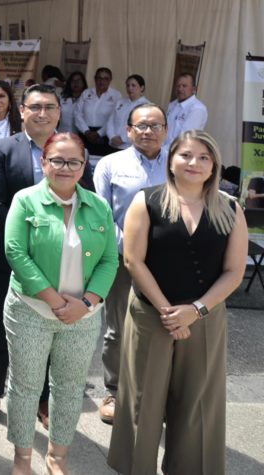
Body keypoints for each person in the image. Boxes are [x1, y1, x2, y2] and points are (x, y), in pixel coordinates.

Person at [108, 131, 247, 475]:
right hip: (150, 314)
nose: (194, 163)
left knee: (198, 403)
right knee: (142, 401)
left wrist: (196, 310)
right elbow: (133, 260)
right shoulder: (147, 201)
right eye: (185, 155)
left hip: (205, 317)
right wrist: (168, 312)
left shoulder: (230, 208)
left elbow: (234, 271)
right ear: (171, 161)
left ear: (214, 166)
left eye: (204, 157)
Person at [2, 133, 117, 475]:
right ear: (43, 162)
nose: (65, 168)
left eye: (73, 162)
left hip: (83, 315)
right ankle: (22, 458)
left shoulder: (99, 206)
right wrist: (54, 300)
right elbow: (15, 252)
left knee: (69, 387)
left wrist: (86, 303)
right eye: (57, 160)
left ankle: (57, 457)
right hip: (30, 309)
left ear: (84, 166)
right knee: (25, 386)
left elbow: (110, 260)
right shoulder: (25, 200)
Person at [0, 84, 64, 432]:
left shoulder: (69, 148)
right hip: (10, 255)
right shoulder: (3, 148)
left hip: (59, 258)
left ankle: (43, 398)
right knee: (1, 328)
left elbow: (82, 196)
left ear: (58, 112)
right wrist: (30, 240)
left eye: (49, 107)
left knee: (49, 328)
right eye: (35, 107)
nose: (42, 113)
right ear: (22, 111)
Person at [92, 103, 168, 424]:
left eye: (155, 125)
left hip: (167, 262)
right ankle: (115, 390)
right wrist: (130, 251)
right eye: (141, 126)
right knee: (118, 328)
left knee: (163, 327)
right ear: (128, 130)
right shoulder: (110, 164)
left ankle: (155, 394)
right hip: (123, 260)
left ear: (166, 130)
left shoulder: (178, 164)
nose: (148, 131)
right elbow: (102, 215)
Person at [74, 67, 122, 156]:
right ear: (95, 79)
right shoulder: (86, 93)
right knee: (83, 160)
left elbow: (115, 117)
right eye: (99, 78)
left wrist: (99, 133)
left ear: (110, 80)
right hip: (85, 133)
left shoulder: (116, 95)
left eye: (105, 78)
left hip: (104, 136)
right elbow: (77, 113)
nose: (102, 81)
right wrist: (86, 132)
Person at [103, 74, 150, 151]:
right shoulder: (120, 102)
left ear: (142, 88)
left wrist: (123, 139)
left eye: (133, 85)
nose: (130, 88)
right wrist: (112, 137)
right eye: (128, 85)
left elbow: (142, 128)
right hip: (113, 145)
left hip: (130, 148)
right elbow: (110, 121)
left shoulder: (147, 106)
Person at [165, 72, 208, 143]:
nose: (180, 89)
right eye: (178, 86)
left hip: (179, 149)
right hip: (162, 147)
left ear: (194, 89)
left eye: (184, 86)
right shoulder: (172, 104)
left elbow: (184, 138)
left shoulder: (197, 109)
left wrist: (163, 149)